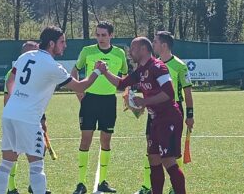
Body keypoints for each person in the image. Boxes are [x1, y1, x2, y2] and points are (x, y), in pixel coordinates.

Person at [0, 26, 102, 194]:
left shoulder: (25, 56)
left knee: (6, 164)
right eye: (62, 42)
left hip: (10, 113)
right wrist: (97, 71)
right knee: (36, 166)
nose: (64, 45)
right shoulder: (52, 66)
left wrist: (18, 98)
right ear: (51, 44)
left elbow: (10, 80)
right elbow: (81, 86)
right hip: (28, 118)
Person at [100, 37, 187, 194]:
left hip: (169, 118)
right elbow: (121, 84)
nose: (130, 52)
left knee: (168, 161)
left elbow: (169, 93)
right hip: (156, 120)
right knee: (153, 159)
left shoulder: (158, 67)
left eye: (132, 48)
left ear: (143, 49)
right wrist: (105, 72)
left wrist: (145, 101)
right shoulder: (140, 70)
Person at [71, 21, 128, 194]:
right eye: (98, 35)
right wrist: (79, 93)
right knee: (85, 140)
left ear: (111, 35)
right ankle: (81, 183)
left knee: (106, 140)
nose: (101, 38)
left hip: (109, 101)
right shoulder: (88, 51)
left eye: (104, 35)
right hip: (90, 101)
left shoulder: (119, 54)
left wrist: (126, 93)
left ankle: (102, 181)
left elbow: (125, 76)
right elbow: (74, 71)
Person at [136, 31, 194, 194]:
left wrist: (190, 115)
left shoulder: (179, 65)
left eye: (154, 42)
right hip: (153, 112)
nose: (152, 45)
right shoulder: (152, 64)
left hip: (172, 112)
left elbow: (187, 92)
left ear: (164, 45)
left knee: (171, 153)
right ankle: (148, 186)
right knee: (151, 151)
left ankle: (175, 188)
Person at [3, 41, 52, 194]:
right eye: (31, 51)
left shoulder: (39, 69)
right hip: (18, 116)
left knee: (40, 148)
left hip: (33, 115)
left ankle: (34, 185)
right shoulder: (14, 72)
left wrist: (42, 119)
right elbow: (7, 97)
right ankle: (11, 187)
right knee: (14, 154)